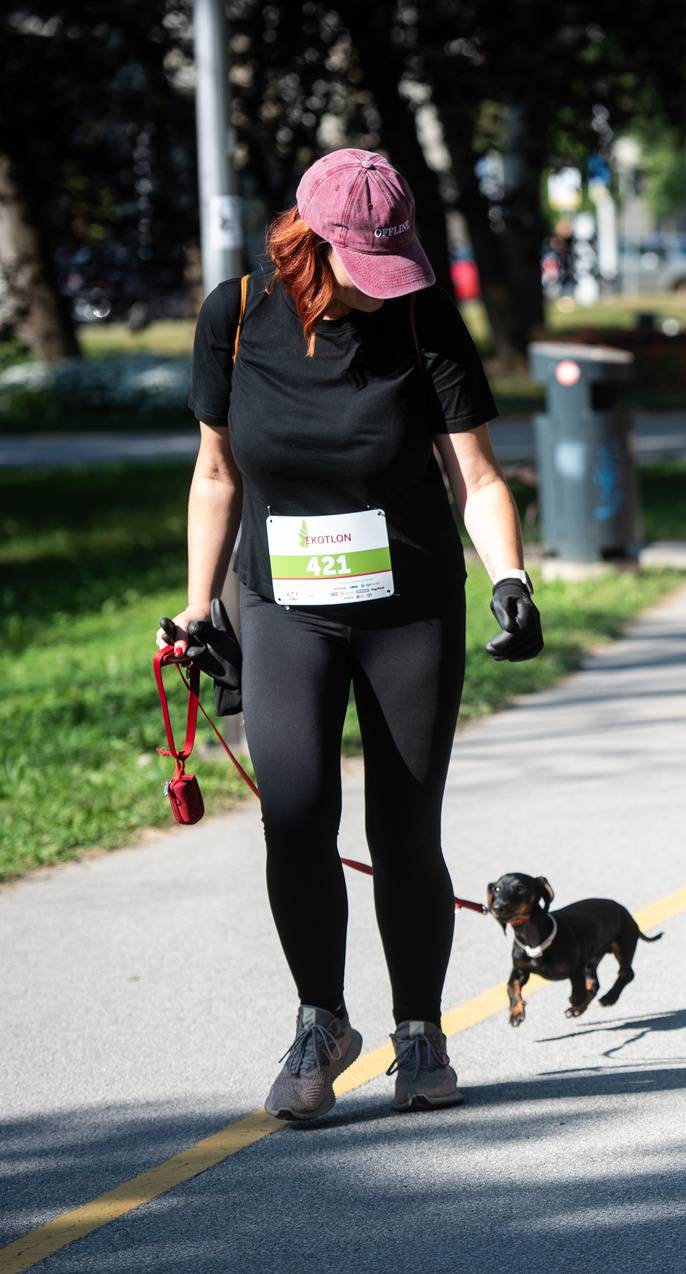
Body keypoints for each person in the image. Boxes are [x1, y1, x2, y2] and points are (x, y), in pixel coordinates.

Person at [165, 149, 543, 1122]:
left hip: (409, 603)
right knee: (293, 816)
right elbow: (217, 474)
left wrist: (510, 575)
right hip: (284, 606)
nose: (381, 285)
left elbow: (480, 478)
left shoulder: (422, 317)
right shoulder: (236, 316)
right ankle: (321, 1018)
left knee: (404, 829)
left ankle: (418, 1029)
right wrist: (199, 606)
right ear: (310, 245)